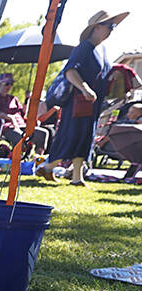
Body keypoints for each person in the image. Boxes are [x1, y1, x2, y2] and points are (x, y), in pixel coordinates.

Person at [38, 10, 130, 185]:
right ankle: (48, 166)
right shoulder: (84, 47)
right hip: (77, 103)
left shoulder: (101, 49)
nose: (112, 29)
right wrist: (84, 88)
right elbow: (70, 71)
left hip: (92, 104)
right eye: (109, 25)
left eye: (113, 26)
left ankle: (76, 177)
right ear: (96, 27)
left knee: (86, 136)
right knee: (71, 135)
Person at [0, 73, 48, 158]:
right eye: (7, 84)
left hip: (21, 125)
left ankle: (38, 158)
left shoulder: (14, 99)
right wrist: (8, 117)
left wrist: (27, 99)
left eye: (11, 84)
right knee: (20, 136)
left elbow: (23, 113)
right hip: (6, 126)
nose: (9, 86)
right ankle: (17, 158)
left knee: (43, 133)